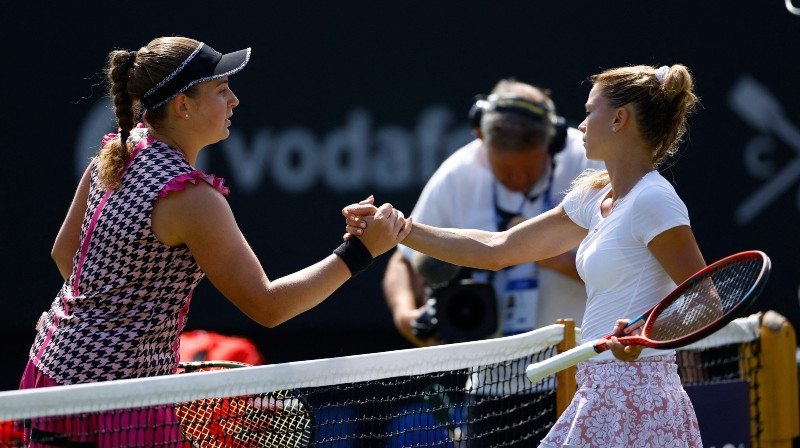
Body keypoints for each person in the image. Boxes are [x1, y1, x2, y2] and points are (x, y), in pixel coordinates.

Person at [18, 36, 408, 447]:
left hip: (52, 367)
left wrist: (126, 334)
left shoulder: (119, 151)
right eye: (222, 91)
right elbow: (267, 306)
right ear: (183, 106)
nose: (234, 100)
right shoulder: (193, 198)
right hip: (116, 399)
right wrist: (360, 252)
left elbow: (66, 256)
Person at [346, 64, 705, 447]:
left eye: (589, 111)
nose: (581, 125)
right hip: (599, 390)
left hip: (641, 398)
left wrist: (645, 335)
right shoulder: (592, 198)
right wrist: (402, 229)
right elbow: (499, 249)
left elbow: (705, 301)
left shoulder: (654, 198)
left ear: (619, 119)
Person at [383, 78, 604, 348]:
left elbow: (627, 267)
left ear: (553, 140)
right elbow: (404, 261)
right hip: (487, 374)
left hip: (574, 369)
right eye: (507, 169)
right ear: (481, 139)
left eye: (531, 167)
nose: (520, 179)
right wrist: (406, 316)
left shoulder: (590, 161)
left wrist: (548, 253)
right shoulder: (455, 174)